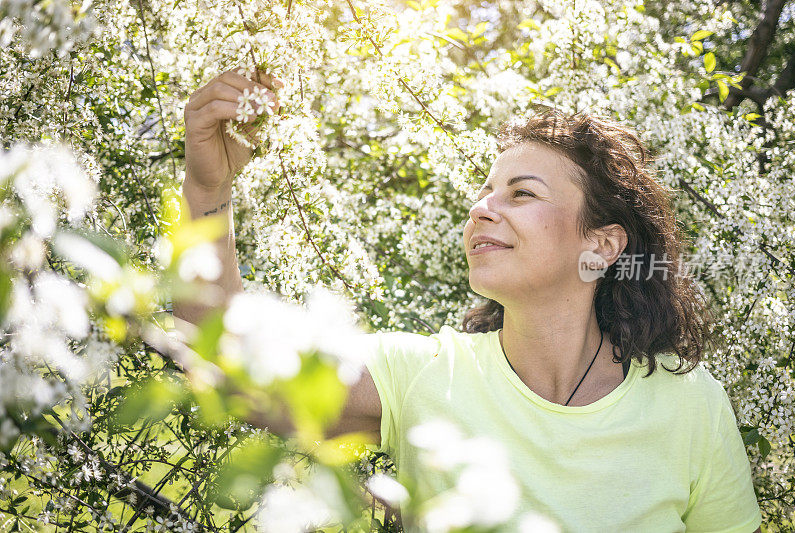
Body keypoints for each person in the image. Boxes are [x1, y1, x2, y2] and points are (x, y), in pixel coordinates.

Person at [174, 69, 763, 533]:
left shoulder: (691, 406)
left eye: (521, 193)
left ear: (600, 246)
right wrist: (207, 187)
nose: (483, 208)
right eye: (484, 192)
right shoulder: (423, 376)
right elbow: (229, 363)